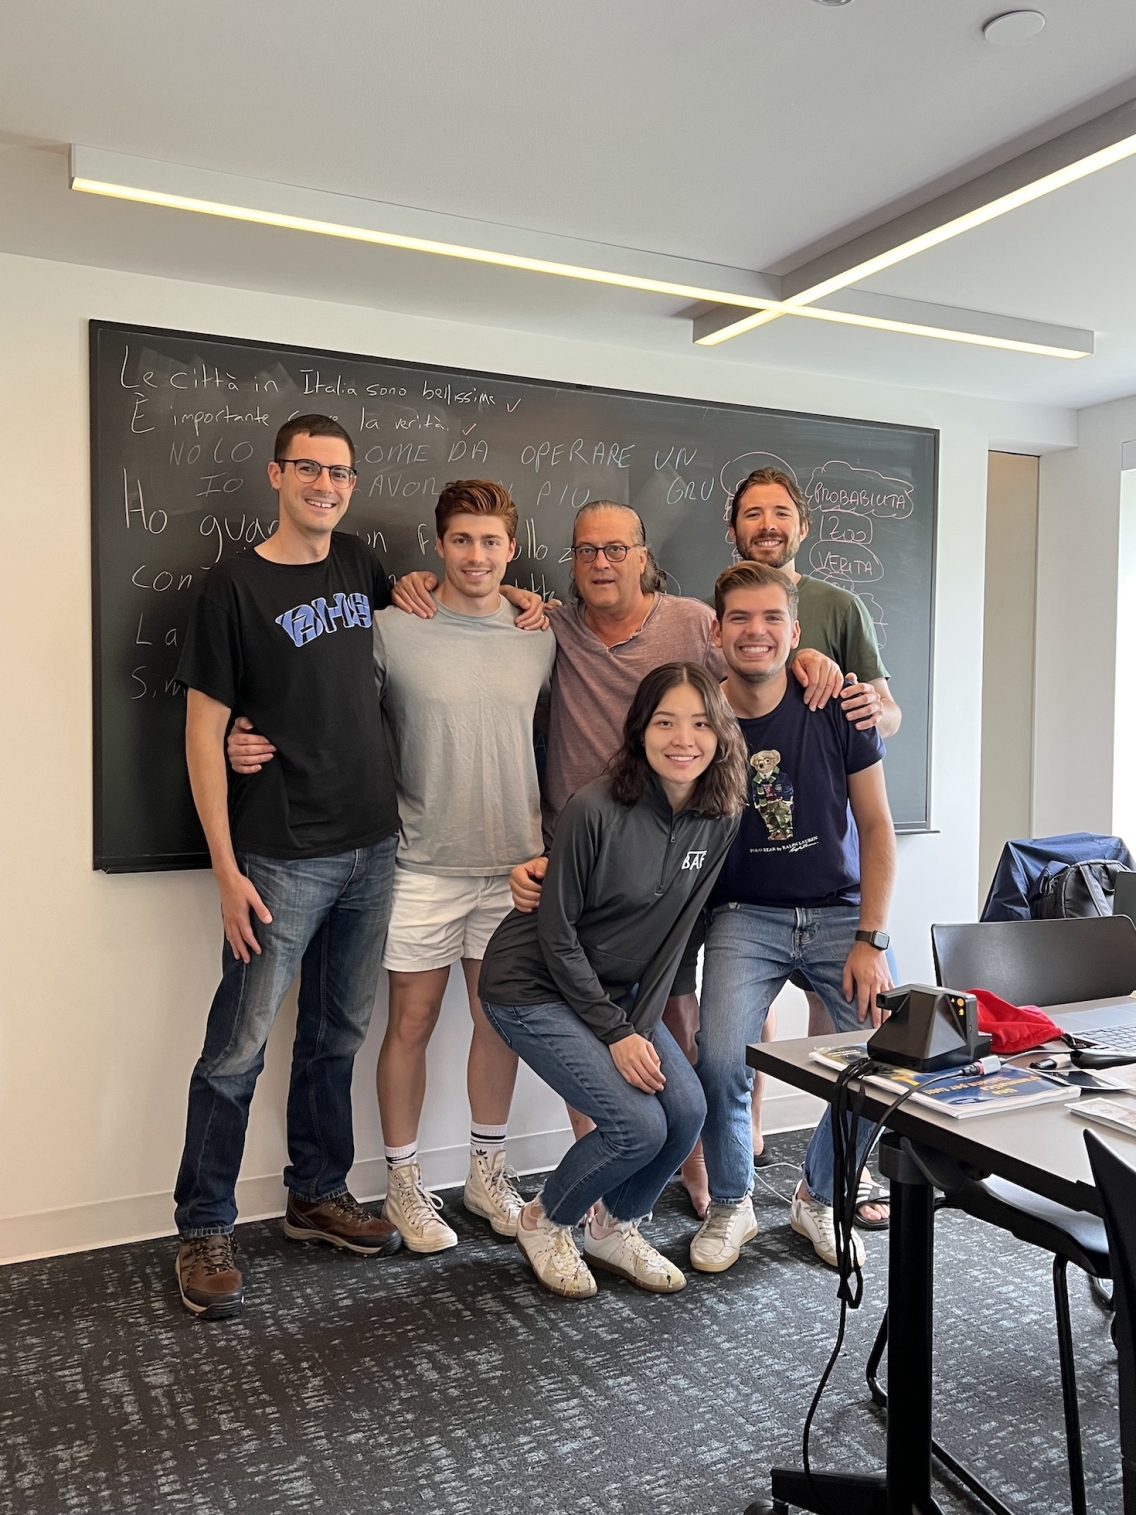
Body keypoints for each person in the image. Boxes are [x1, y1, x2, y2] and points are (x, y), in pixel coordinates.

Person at [392, 502, 841, 1212]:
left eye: (616, 549)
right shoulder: (552, 625)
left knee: (684, 1024)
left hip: (678, 849)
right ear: (571, 562)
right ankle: (608, 1183)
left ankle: (700, 1178)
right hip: (586, 849)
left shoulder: (695, 622)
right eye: (586, 551)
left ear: (642, 554)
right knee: (610, 1063)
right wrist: (479, 588)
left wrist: (812, 656)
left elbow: (757, 649)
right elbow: (490, 596)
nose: (601, 562)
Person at [229, 481, 556, 1253]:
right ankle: (405, 1181)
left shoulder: (541, 630)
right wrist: (240, 732)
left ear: (511, 549)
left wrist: (525, 597)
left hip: (514, 864)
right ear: (437, 545)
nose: (476, 555)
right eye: (462, 540)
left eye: (491, 542)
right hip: (419, 861)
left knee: (497, 1022)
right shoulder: (392, 626)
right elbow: (322, 704)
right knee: (408, 1022)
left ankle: (486, 1169)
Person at [172, 415, 403, 1321]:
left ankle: (317, 1192)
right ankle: (203, 1224)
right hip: (278, 857)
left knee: (336, 1038)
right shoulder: (232, 584)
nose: (324, 483)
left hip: (374, 845)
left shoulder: (360, 566)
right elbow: (201, 731)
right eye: (307, 468)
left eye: (339, 471)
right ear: (276, 473)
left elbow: (411, 645)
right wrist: (225, 870)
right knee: (237, 1047)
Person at [478, 663, 747, 1298]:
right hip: (531, 986)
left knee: (686, 1111)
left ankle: (613, 1225)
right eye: (666, 722)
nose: (684, 739)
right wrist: (616, 1034)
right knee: (637, 1126)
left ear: (721, 735)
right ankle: (547, 1222)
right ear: (640, 730)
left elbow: (678, 931)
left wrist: (638, 1026)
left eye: (701, 723)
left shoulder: (721, 815)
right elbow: (555, 933)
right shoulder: (595, 806)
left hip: (617, 998)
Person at [688, 560, 896, 1275]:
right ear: (716, 632)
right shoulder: (700, 718)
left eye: (772, 618)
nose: (756, 631)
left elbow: (876, 826)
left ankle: (820, 1191)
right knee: (720, 1058)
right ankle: (731, 1201)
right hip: (746, 915)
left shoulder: (836, 706)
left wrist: (870, 937)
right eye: (740, 618)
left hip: (840, 911)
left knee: (888, 1057)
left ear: (795, 632)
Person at [729, 466, 899, 1220]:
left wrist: (856, 706)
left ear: (803, 526)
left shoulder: (838, 606)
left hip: (833, 882)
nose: (767, 523)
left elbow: (884, 713)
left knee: (873, 1044)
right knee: (729, 1043)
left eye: (780, 513)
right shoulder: (725, 602)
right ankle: (737, 1180)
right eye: (753, 513)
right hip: (748, 893)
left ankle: (824, 1187)